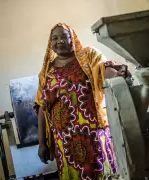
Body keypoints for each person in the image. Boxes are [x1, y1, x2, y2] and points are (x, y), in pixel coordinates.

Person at [34, 23, 129, 180]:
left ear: (73, 37)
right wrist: (42, 143)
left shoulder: (88, 55)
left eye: (64, 36)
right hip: (64, 142)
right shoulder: (46, 72)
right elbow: (42, 108)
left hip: (93, 135)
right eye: (54, 38)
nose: (59, 41)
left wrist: (118, 75)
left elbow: (103, 69)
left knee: (102, 174)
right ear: (50, 43)